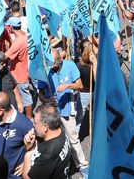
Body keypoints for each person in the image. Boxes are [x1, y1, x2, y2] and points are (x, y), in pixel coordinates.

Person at [38, 49, 88, 177]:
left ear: (60, 60)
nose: (51, 66)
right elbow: (41, 94)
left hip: (66, 109)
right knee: (52, 138)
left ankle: (82, 164)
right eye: (50, 63)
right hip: (52, 111)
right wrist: (47, 100)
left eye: (54, 63)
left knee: (73, 138)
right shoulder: (44, 70)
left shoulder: (70, 65)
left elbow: (80, 85)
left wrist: (67, 85)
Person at [22, 104, 71, 179]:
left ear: (45, 127)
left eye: (35, 123)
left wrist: (28, 152)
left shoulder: (49, 154)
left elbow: (27, 177)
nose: (33, 125)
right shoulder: (58, 127)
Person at [4, 17, 32, 118]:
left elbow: (4, 57)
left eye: (8, 26)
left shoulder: (18, 42)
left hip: (19, 75)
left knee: (25, 98)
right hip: (24, 71)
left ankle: (29, 119)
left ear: (11, 27)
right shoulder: (24, 35)